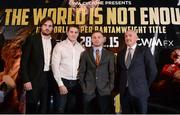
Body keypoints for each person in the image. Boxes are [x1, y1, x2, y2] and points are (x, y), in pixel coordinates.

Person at [20, 17, 56, 113]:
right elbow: (24, 62)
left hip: (48, 79)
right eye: (45, 25)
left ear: (52, 28)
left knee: (45, 108)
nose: (47, 28)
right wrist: (26, 80)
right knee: (31, 107)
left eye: (50, 26)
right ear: (41, 26)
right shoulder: (32, 39)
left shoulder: (54, 42)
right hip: (33, 79)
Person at [116, 30, 157, 114]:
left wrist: (144, 85)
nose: (127, 38)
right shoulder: (120, 53)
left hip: (140, 92)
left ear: (136, 38)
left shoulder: (144, 50)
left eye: (130, 35)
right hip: (124, 93)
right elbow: (119, 72)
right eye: (126, 36)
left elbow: (153, 71)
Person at [78, 31, 115, 113]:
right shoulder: (85, 54)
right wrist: (84, 87)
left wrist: (110, 87)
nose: (97, 39)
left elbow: (112, 72)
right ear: (91, 39)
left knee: (104, 112)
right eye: (94, 37)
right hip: (88, 90)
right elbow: (81, 72)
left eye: (99, 37)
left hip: (104, 90)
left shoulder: (110, 55)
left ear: (103, 39)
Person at [51, 25, 84, 113]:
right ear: (67, 33)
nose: (73, 34)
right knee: (60, 109)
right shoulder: (59, 46)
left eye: (76, 32)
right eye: (71, 32)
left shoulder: (81, 48)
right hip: (62, 81)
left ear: (78, 34)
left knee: (72, 109)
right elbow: (55, 66)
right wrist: (60, 84)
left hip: (75, 83)